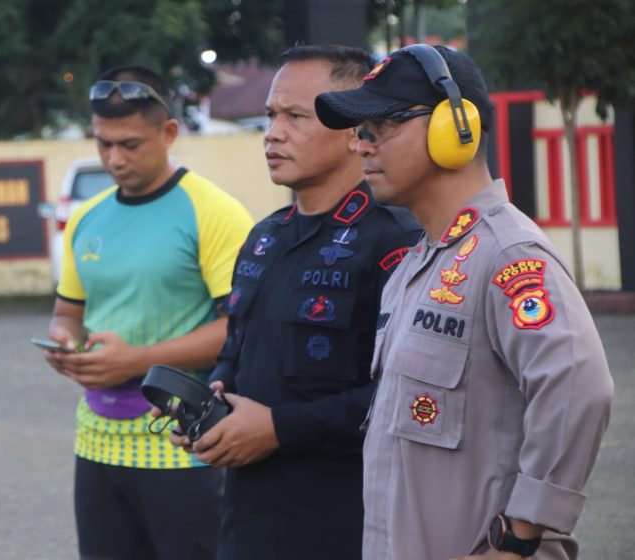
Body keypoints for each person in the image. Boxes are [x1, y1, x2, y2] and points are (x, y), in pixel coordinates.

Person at [314, 44, 615, 559]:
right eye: (358, 133)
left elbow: (578, 388)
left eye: (378, 127)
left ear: (456, 128)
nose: (361, 147)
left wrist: (518, 541)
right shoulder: (415, 266)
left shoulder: (507, 253)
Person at [169, 45, 423, 559]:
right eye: (269, 116)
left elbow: (412, 399)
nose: (272, 133)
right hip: (247, 528)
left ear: (355, 130)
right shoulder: (264, 238)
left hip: (348, 530)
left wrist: (277, 429)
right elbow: (239, 354)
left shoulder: (398, 242)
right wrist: (213, 406)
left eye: (295, 117)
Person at [43, 65, 253, 560]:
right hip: (96, 445)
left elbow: (241, 331)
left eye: (131, 144)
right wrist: (63, 342)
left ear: (169, 132)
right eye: (103, 144)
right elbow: (67, 313)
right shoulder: (86, 218)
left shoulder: (213, 212)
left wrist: (135, 361)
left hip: (183, 449)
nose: (115, 159)